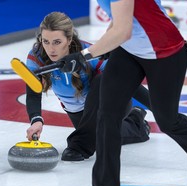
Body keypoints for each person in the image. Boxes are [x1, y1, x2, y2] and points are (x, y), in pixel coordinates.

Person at [58, 1, 187, 186]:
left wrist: (85, 54)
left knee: (167, 120)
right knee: (107, 118)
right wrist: (105, 45)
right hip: (128, 51)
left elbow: (123, 30)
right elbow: (119, 20)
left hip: (164, 51)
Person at [25, 12, 152, 162]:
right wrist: (36, 120)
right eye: (45, 41)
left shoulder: (90, 53)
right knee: (102, 134)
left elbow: (124, 81)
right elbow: (33, 92)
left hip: (110, 102)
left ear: (69, 39)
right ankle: (137, 122)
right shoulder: (36, 57)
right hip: (79, 113)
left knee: (103, 79)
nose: (50, 49)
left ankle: (79, 146)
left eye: (57, 42)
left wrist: (161, 108)